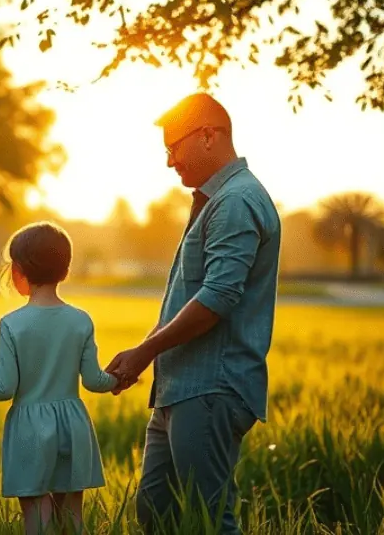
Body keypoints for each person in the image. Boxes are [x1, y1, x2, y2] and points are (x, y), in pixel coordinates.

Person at [105, 93, 281, 533]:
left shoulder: (236, 201)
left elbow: (218, 298)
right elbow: (191, 295)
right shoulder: (215, 200)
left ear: (207, 136)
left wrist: (145, 351)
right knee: (155, 512)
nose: (168, 163)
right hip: (179, 388)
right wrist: (146, 352)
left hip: (210, 386)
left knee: (208, 521)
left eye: (173, 148)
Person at [0, 221, 118, 535]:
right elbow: (94, 381)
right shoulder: (80, 320)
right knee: (72, 515)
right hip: (74, 424)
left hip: (29, 429)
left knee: (38, 513)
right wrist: (118, 380)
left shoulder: (12, 323)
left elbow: (3, 387)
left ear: (19, 271)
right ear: (64, 271)